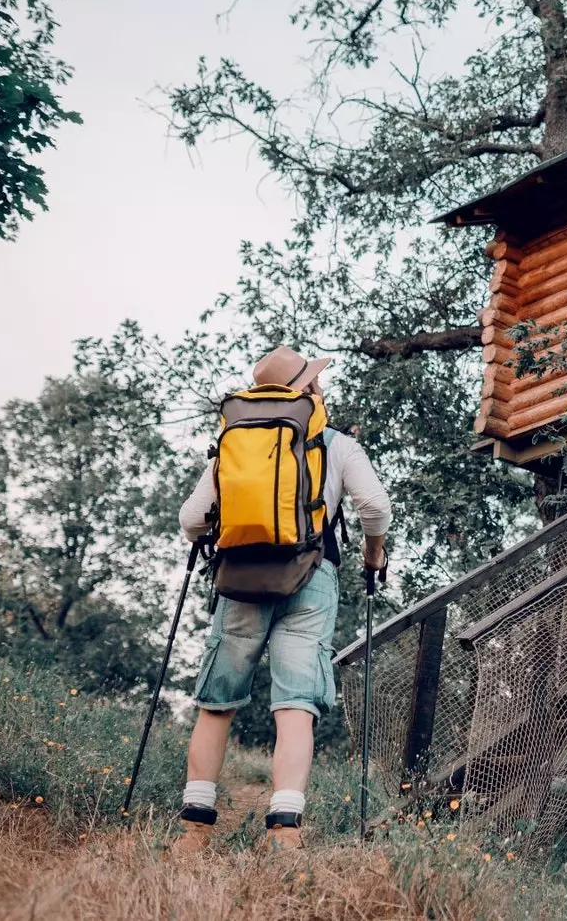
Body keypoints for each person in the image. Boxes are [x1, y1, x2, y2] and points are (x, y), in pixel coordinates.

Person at [171, 346, 391, 854]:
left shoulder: (234, 442)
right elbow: (374, 507)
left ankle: (194, 826)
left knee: (217, 702)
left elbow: (190, 520)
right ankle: (285, 830)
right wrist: (373, 556)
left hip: (241, 578)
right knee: (295, 705)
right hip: (311, 576)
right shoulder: (333, 443)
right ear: (309, 389)